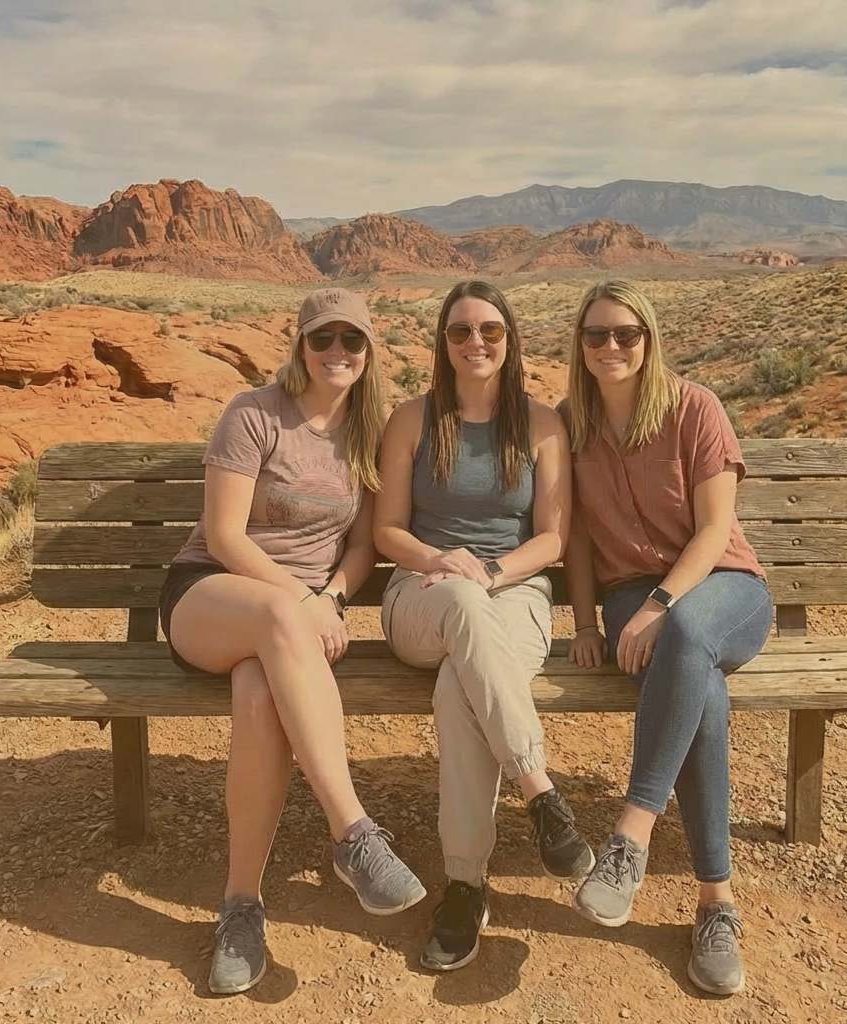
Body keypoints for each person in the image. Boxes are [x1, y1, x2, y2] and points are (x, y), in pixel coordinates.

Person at [159, 288, 425, 996]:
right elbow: (223, 536)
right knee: (276, 624)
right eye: (322, 338)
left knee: (257, 699)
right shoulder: (253, 414)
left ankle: (240, 906)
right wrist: (302, 601)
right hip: (210, 595)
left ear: (370, 353)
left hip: (295, 624)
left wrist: (332, 595)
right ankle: (353, 833)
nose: (337, 352)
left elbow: (365, 546)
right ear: (299, 345)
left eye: (353, 340)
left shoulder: (366, 434)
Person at [561, 280, 774, 996]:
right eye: (597, 335)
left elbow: (716, 530)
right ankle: (718, 902)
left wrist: (660, 602)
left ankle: (631, 836)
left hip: (728, 591)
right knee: (696, 679)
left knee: (687, 633)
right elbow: (580, 541)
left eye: (626, 333)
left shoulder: (693, 408)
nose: (611, 346)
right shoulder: (571, 424)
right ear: (580, 346)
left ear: (649, 339)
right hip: (632, 603)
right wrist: (589, 623)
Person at [374, 280, 593, 972]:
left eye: (490, 331)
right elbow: (386, 530)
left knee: (458, 690)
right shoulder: (412, 419)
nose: (475, 342)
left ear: (510, 340)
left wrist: (491, 573)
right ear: (443, 342)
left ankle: (465, 884)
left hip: (516, 595)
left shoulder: (543, 424)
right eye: (461, 330)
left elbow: (554, 538)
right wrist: (443, 559)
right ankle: (541, 794)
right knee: (463, 611)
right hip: (422, 593)